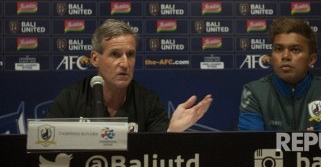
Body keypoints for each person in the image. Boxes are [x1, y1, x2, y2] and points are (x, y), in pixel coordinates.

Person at [47, 19, 213, 132]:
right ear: (95, 59)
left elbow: (161, 160)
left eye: (130, 54)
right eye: (115, 54)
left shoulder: (148, 102)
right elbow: (47, 144)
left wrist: (171, 132)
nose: (125, 63)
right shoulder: (70, 99)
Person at [238, 17, 321, 131]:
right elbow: (251, 146)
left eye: (295, 50)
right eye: (278, 49)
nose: (285, 56)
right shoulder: (254, 92)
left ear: (311, 59)